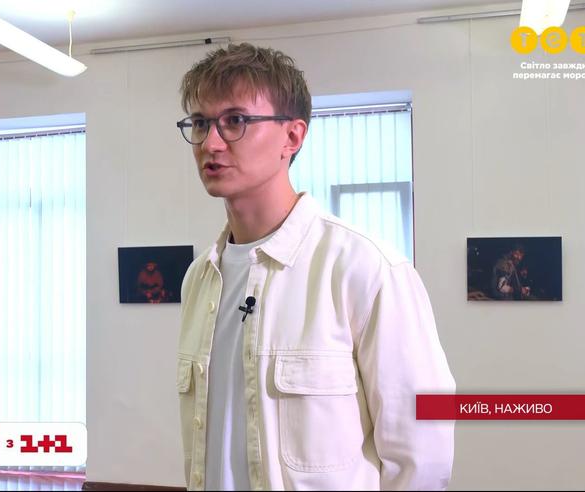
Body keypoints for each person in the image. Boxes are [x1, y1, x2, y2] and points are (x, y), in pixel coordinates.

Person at [176, 43, 455, 491]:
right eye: (200, 122)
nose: (211, 142)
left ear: (292, 137)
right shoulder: (199, 279)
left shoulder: (365, 268)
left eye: (235, 121)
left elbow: (421, 455)